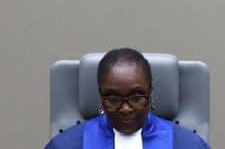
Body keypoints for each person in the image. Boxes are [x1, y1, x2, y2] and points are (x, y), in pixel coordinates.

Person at [45, 48, 209, 149]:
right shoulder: (65, 146)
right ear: (101, 97)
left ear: (150, 93)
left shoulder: (189, 145)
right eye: (114, 99)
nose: (125, 108)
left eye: (136, 97)